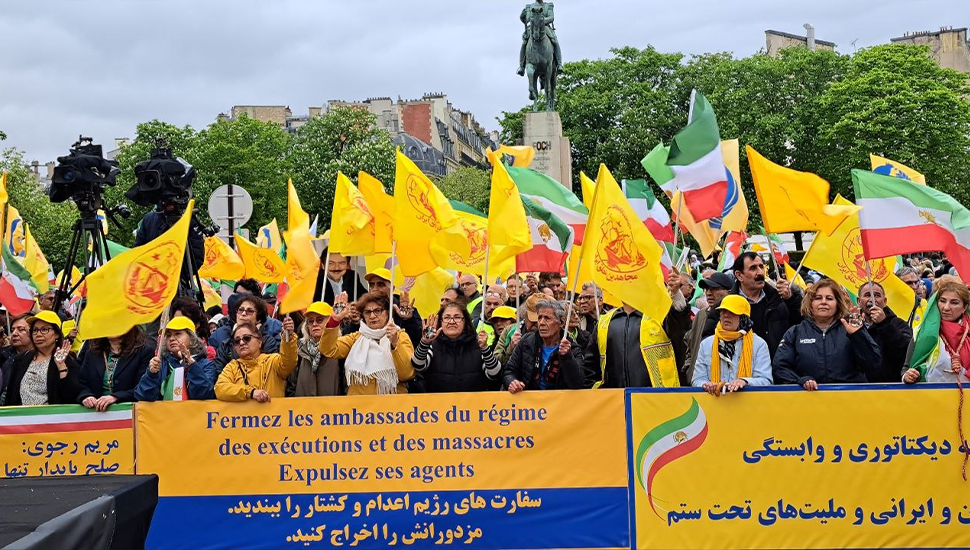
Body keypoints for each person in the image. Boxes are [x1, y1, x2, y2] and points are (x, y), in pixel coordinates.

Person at [583, 272, 691, 388]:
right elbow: (591, 366)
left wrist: (675, 293)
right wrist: (597, 391)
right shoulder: (604, 322)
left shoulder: (659, 316)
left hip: (656, 396)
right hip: (617, 397)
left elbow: (680, 327)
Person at [773, 280, 881, 390]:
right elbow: (780, 367)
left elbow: (874, 364)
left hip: (849, 397)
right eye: (818, 298)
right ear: (810, 303)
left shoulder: (852, 329)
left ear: (838, 303)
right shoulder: (795, 332)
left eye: (829, 298)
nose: (823, 302)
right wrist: (800, 380)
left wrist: (858, 336)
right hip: (809, 397)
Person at [704, 252, 803, 359]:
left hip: (779, 365)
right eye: (753, 268)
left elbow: (801, 326)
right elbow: (708, 343)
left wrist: (791, 299)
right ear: (739, 275)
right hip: (742, 367)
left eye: (761, 267)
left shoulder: (780, 300)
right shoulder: (723, 307)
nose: (760, 272)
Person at [319, 292, 414, 395]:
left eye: (377, 311)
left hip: (391, 404)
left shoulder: (400, 336)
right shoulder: (356, 338)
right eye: (367, 312)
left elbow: (407, 373)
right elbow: (328, 349)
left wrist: (394, 343)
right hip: (359, 404)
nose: (372, 316)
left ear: (387, 312)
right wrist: (334, 320)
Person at [691, 295, 772, 395]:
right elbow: (697, 380)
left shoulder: (759, 344)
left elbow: (766, 380)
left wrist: (745, 381)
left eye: (732, 312)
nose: (726, 316)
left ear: (743, 317)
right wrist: (705, 384)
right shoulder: (706, 344)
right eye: (723, 311)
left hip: (746, 403)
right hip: (714, 402)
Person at [412, 303, 500, 392]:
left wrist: (485, 348)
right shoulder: (433, 344)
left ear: (465, 321)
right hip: (438, 400)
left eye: (457, 317)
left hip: (473, 400)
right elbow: (418, 366)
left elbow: (494, 373)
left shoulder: (477, 344)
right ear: (441, 321)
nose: (452, 321)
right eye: (447, 318)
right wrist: (425, 342)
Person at [2, 311, 82, 406]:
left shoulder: (68, 359)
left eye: (44, 329)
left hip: (51, 414)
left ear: (56, 333)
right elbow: (11, 396)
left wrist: (61, 367)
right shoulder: (21, 359)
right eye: (35, 330)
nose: (38, 334)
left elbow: (70, 396)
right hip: (23, 414)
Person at [502, 300, 584, 392]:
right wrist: (512, 382)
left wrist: (567, 357)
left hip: (559, 400)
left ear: (561, 322)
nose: (541, 323)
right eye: (539, 318)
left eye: (547, 318)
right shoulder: (526, 342)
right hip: (529, 400)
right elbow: (509, 371)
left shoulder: (572, 348)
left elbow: (578, 383)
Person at [904, 276, 970, 384]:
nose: (946, 307)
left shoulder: (968, 333)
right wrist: (908, 376)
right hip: (931, 394)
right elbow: (906, 369)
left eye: (954, 302)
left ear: (964, 307)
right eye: (942, 301)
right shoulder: (922, 332)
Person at [215, 316, 297, 402]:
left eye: (247, 338)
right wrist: (250, 393)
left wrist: (288, 337)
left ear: (260, 341)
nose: (241, 343)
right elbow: (220, 388)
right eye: (237, 341)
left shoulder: (273, 361)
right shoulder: (232, 367)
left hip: (275, 411)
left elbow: (289, 361)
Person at [136, 317, 217, 401]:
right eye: (168, 335)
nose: (171, 338)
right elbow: (143, 396)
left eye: (178, 334)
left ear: (192, 339)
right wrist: (151, 375)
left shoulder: (206, 365)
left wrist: (192, 365)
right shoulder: (160, 365)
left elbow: (204, 394)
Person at [135, 201, 205, 296]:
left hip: (177, 285)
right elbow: (138, 254)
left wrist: (178, 276)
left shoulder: (188, 219)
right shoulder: (149, 220)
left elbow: (197, 257)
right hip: (151, 287)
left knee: (184, 305)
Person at [78, 326, 154, 410]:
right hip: (95, 412)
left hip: (129, 411)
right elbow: (81, 383)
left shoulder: (144, 352)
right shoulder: (92, 353)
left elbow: (142, 387)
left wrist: (116, 397)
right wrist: (86, 396)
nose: (111, 327)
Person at [683, 272, 734, 384]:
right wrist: (689, 370)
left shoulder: (737, 317)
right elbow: (690, 346)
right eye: (707, 289)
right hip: (700, 384)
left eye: (714, 289)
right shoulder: (700, 315)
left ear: (729, 292)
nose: (709, 293)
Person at [211, 295, 283, 374]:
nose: (243, 313)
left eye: (250, 311)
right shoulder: (225, 345)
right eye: (240, 310)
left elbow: (271, 370)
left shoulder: (267, 341)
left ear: (258, 319)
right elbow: (219, 373)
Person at [858, 281, 913, 383]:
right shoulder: (852, 326)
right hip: (858, 388)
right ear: (859, 301)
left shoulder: (898, 324)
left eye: (877, 295)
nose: (872, 299)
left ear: (885, 301)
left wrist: (884, 324)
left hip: (890, 387)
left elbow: (905, 352)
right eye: (867, 295)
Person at [287, 302, 343, 397]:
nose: (314, 324)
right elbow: (292, 385)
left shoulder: (340, 349)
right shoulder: (299, 350)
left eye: (319, 320)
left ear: (330, 322)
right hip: (303, 406)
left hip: (333, 406)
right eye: (310, 321)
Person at [363, 268, 422, 347]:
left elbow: (417, 341)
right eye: (371, 285)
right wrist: (354, 322)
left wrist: (408, 320)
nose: (375, 289)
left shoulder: (406, 310)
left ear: (392, 288)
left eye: (381, 285)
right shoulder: (363, 309)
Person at [517, 0, 563, 76]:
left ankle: (559, 64)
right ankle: (522, 66)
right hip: (533, 28)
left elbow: (551, 17)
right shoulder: (529, 7)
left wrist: (541, 21)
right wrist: (522, 16)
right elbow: (527, 20)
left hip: (545, 27)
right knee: (524, 42)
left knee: (555, 41)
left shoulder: (548, 5)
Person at [495, 294, 542, 366]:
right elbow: (496, 361)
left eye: (541, 318)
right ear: (525, 314)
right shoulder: (510, 330)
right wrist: (510, 348)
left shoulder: (550, 333)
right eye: (533, 319)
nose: (537, 323)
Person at [0, 314, 33, 398]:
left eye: (21, 330)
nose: (14, 334)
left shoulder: (43, 358)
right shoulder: (2, 356)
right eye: (12, 330)